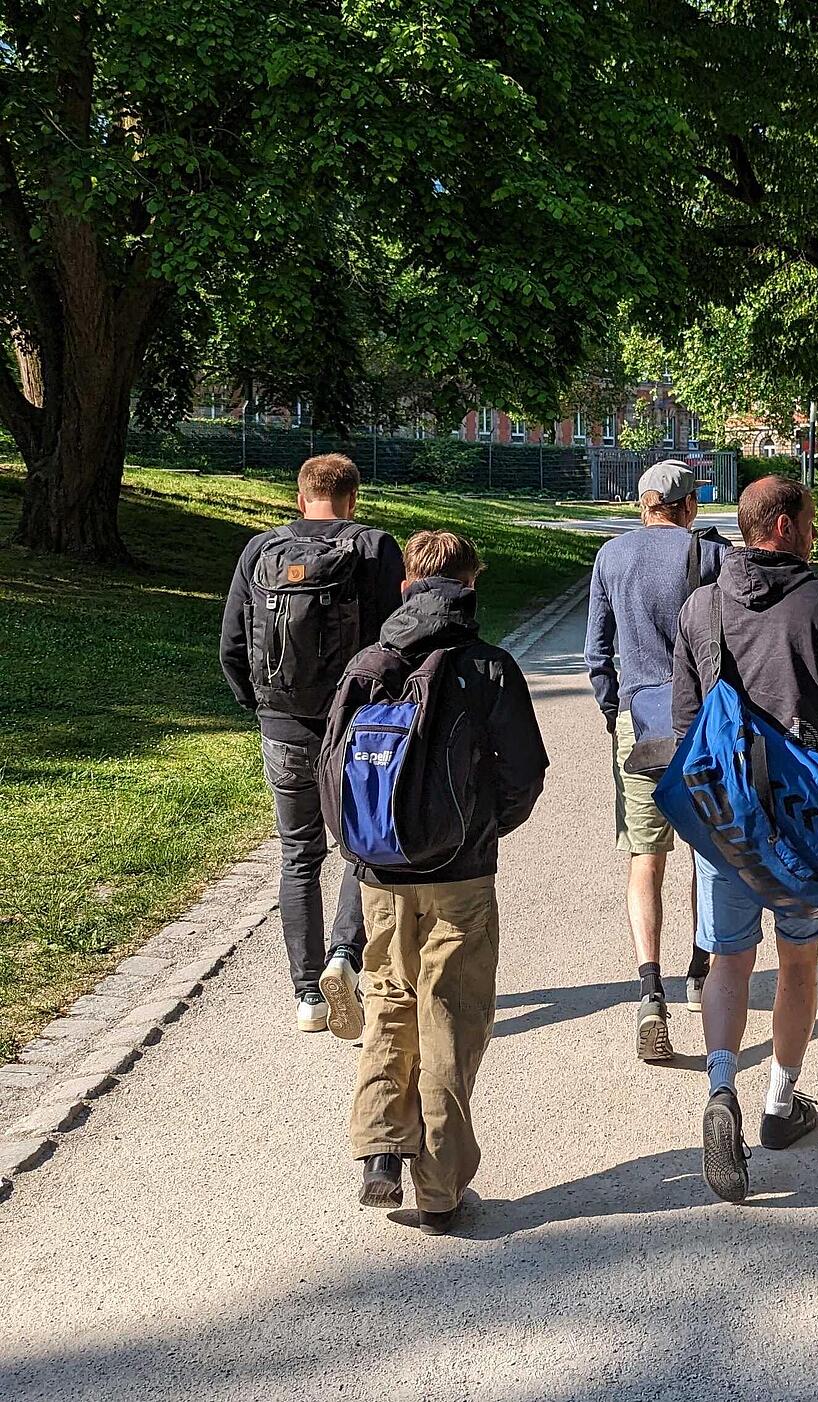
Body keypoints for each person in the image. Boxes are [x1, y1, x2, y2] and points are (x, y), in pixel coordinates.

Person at [672, 475, 818, 1203]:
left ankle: (720, 1088)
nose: (815, 533)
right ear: (784, 526)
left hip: (724, 816)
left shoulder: (701, 607)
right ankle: (781, 1105)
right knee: (798, 964)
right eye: (811, 520)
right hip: (802, 820)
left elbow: (686, 722)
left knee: (727, 963)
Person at [351, 530, 548, 1233]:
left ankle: (380, 1146)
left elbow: (330, 772)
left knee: (389, 1000)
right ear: (471, 585)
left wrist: (364, 850)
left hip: (380, 873)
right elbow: (524, 775)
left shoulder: (368, 664)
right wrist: (482, 830)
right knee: (451, 1017)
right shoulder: (488, 668)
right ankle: (437, 1188)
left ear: (406, 585)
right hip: (461, 875)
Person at [220, 453, 404, 1036]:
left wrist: (264, 709)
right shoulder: (374, 549)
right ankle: (344, 957)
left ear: (300, 499)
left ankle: (307, 996)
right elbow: (396, 639)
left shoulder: (260, 551)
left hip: (283, 727)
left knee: (298, 854)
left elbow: (232, 644)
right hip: (357, 725)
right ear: (353, 498)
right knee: (361, 845)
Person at [584, 460, 728, 1062]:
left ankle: (650, 989)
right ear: (689, 504)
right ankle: (700, 972)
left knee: (646, 858)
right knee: (707, 853)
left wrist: (614, 709)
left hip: (638, 725)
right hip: (701, 727)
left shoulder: (611, 558)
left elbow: (596, 652)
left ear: (642, 503)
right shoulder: (710, 556)